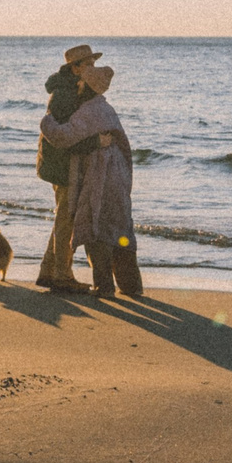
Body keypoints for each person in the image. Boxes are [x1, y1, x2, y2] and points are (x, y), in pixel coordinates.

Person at [38, 60, 141, 298]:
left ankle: (103, 287)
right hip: (116, 175)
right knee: (120, 227)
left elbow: (63, 136)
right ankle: (130, 285)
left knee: (96, 228)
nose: (82, 81)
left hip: (99, 175)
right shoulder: (104, 107)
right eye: (87, 67)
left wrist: (46, 122)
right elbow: (124, 146)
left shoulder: (88, 109)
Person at [35, 45, 105, 292]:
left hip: (59, 162)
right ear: (75, 68)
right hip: (61, 164)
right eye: (88, 64)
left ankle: (48, 270)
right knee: (66, 220)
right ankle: (62, 276)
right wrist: (96, 142)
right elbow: (66, 136)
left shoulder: (71, 89)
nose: (92, 68)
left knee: (63, 218)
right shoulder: (65, 94)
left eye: (93, 64)